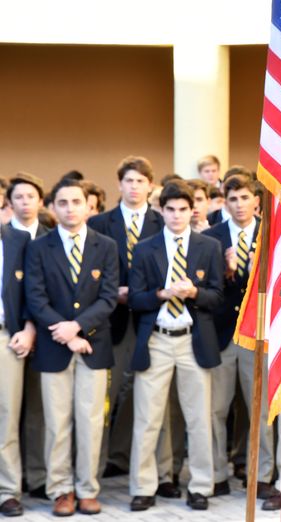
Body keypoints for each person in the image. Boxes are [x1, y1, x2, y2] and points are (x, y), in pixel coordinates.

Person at [127, 181, 223, 512]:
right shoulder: (145, 248)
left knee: (198, 417)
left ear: (191, 211)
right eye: (170, 209)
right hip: (156, 337)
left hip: (191, 338)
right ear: (161, 211)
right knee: (148, 417)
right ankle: (143, 485)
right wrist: (162, 294)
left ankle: (200, 486)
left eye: (183, 209)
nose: (177, 215)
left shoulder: (207, 246)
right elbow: (135, 299)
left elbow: (217, 297)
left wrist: (194, 293)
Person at [25, 178, 119, 516]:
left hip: (93, 347)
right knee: (57, 422)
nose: (69, 208)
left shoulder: (105, 245)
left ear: (88, 205)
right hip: (54, 348)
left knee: (92, 421)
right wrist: (64, 332)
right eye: (62, 203)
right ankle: (61, 489)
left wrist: (78, 327)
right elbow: (35, 297)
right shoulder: (39, 247)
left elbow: (109, 297)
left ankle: (87, 489)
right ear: (52, 207)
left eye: (76, 202)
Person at [88, 156, 177, 495]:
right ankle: (94, 473)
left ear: (150, 186)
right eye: (129, 181)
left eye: (141, 181)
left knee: (157, 402)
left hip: (153, 320)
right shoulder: (99, 223)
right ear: (119, 184)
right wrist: (113, 292)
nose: (135, 187)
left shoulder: (163, 222)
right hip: (110, 322)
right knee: (105, 400)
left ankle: (163, 475)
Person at [202, 175, 280, 506]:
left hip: (257, 333)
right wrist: (225, 272)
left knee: (259, 409)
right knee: (216, 408)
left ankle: (261, 475)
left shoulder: (272, 232)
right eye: (232, 199)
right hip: (221, 333)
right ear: (225, 202)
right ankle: (217, 473)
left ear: (256, 201)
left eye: (245, 197)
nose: (239, 204)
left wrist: (250, 271)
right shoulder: (210, 238)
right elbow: (203, 286)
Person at [5, 172, 48, 499]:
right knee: (8, 412)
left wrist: (34, 327)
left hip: (47, 334)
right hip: (11, 334)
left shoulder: (49, 238)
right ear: (10, 203)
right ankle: (10, 487)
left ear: (40, 201)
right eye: (17, 197)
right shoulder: (8, 238)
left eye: (30, 196)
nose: (24, 202)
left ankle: (38, 478)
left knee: (39, 411)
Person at [0, 223, 34, 518]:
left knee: (7, 415)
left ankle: (7, 491)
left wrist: (29, 329)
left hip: (5, 337)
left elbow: (31, 290)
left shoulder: (19, 240)